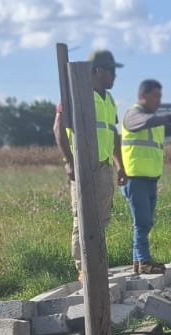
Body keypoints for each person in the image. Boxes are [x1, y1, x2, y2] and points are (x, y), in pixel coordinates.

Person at [53, 49, 128, 276]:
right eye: (112, 72)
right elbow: (58, 128)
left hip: (104, 167)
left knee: (101, 220)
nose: (115, 77)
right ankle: (83, 271)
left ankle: (96, 265)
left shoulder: (109, 99)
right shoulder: (77, 93)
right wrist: (69, 162)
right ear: (98, 71)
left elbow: (112, 134)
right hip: (83, 167)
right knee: (82, 220)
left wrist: (119, 165)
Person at [119, 79, 171, 275]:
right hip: (135, 178)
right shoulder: (133, 115)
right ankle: (144, 261)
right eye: (156, 96)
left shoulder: (156, 122)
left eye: (160, 96)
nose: (159, 100)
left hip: (150, 179)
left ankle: (138, 263)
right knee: (142, 221)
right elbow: (142, 123)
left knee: (145, 222)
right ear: (143, 96)